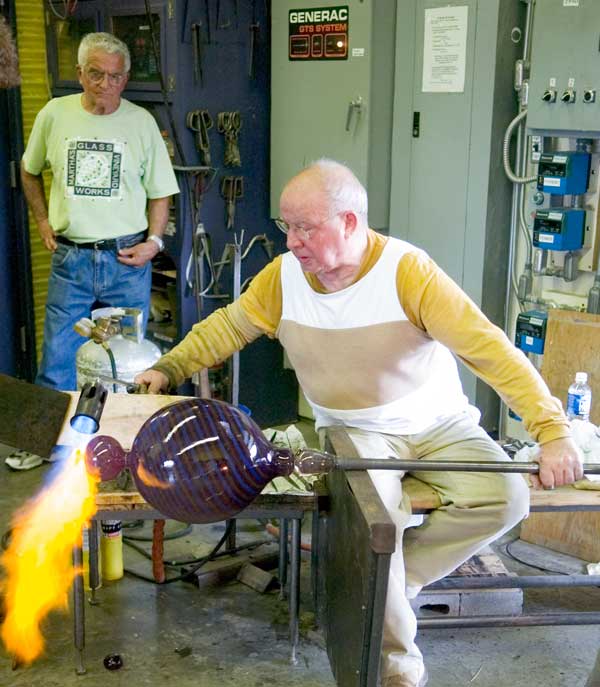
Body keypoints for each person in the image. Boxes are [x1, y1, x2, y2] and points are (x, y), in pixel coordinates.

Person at [135, 159, 583, 687]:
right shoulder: (283, 279)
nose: (292, 242)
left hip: (438, 422)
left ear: (350, 223)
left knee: (507, 500)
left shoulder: (408, 272)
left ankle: (387, 584)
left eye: (305, 227)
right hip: (354, 431)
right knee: (378, 527)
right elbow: (226, 328)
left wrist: (552, 430)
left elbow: (490, 350)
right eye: (286, 227)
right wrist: (168, 368)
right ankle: (397, 669)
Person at [6, 31, 179, 471]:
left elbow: (161, 193)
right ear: (80, 73)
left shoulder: (140, 123)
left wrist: (154, 243)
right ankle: (50, 446)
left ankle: (119, 453)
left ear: (126, 78)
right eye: (97, 75)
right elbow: (28, 171)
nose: (106, 85)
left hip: (126, 263)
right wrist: (43, 222)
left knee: (125, 364)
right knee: (59, 360)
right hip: (73, 260)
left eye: (116, 77)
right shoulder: (54, 114)